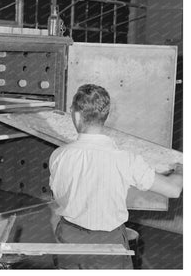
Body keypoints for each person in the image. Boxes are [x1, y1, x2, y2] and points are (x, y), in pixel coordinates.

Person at [49, 84, 183, 269]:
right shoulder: (126, 159)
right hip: (108, 243)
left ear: (77, 115)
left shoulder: (58, 156)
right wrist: (181, 170)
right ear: (106, 115)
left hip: (69, 239)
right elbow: (173, 190)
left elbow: (58, 195)